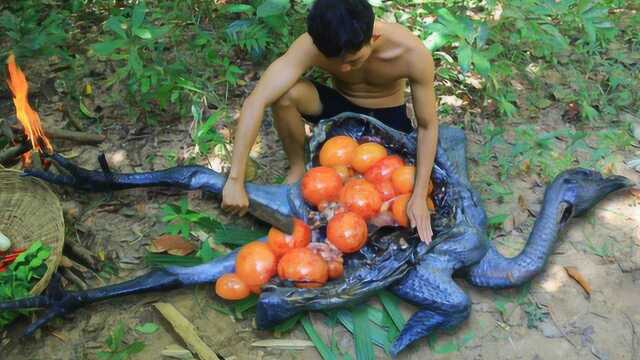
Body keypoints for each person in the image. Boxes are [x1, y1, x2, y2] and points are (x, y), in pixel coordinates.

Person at [221, 0, 438, 243]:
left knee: (387, 198)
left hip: (386, 120)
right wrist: (235, 179)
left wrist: (418, 196)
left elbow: (428, 126)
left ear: (374, 38)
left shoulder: (410, 53)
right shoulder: (311, 45)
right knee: (284, 96)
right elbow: (256, 101)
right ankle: (297, 168)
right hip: (339, 111)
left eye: (353, 60)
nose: (344, 68)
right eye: (336, 61)